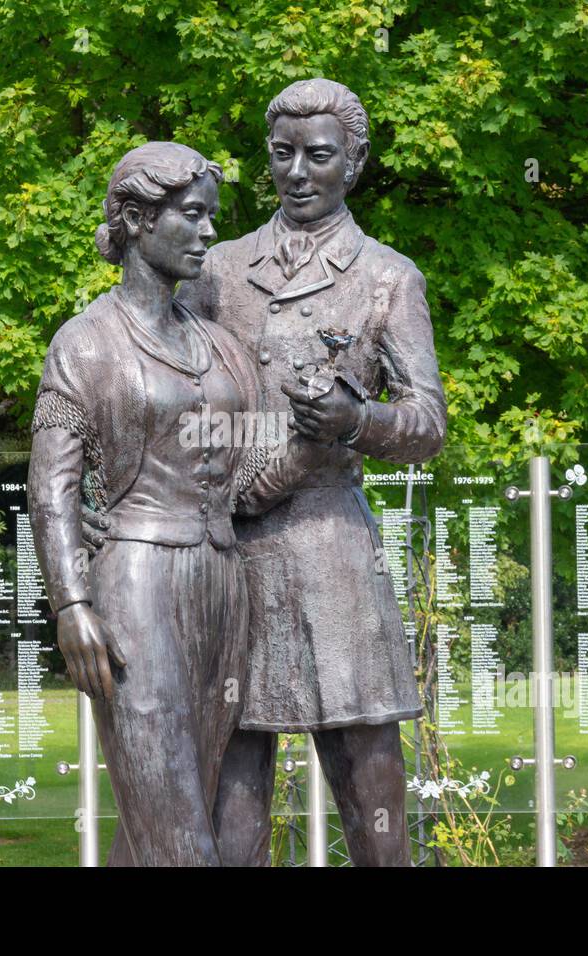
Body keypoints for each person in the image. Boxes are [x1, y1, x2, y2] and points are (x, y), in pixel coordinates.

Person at [176, 79, 448, 866]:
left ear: (353, 164)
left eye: (318, 156)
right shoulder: (215, 271)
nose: (297, 172)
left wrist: (360, 422)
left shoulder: (388, 277)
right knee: (231, 777)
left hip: (330, 551)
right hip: (233, 549)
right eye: (282, 154)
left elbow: (427, 423)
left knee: (369, 770)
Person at [28, 141, 318, 866]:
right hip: (136, 587)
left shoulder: (224, 349)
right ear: (135, 218)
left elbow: (251, 475)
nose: (208, 233)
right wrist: (70, 604)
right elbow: (51, 487)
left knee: (186, 816)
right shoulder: (84, 344)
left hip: (225, 589)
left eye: (211, 216)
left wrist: (325, 436)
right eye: (191, 216)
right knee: (178, 834)